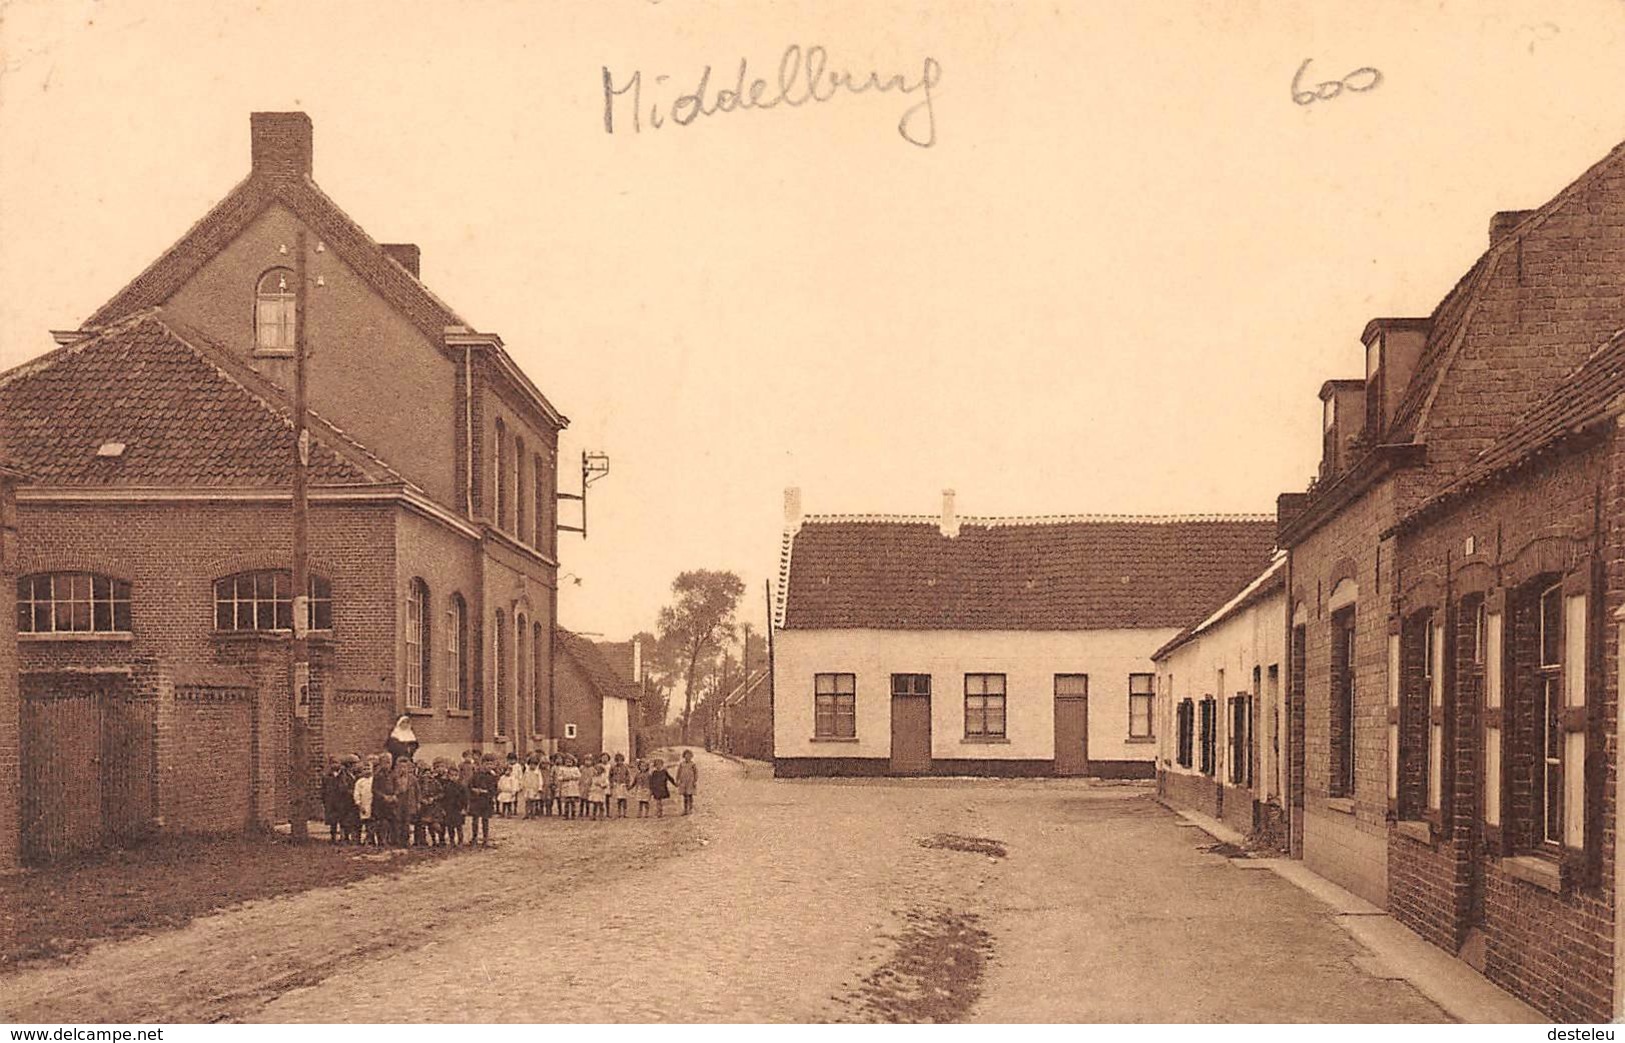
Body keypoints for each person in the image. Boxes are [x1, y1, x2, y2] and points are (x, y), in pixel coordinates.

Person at [467, 755, 497, 846]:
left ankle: (485, 838)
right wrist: (474, 790)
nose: (488, 766)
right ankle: (474, 837)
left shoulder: (492, 776)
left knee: (485, 820)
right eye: (486, 764)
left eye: (491, 764)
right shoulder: (476, 774)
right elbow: (470, 786)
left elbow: (494, 789)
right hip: (476, 800)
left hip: (486, 801)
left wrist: (486, 791)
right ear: (482, 764)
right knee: (475, 820)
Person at [370, 753, 398, 847]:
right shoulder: (378, 775)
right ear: (381, 763)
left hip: (391, 803)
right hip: (380, 804)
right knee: (382, 822)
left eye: (389, 762)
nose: (387, 764)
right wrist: (383, 797)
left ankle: (392, 840)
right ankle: (382, 840)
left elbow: (397, 787)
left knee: (392, 821)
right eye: (385, 762)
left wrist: (394, 795)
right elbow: (374, 789)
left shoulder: (393, 774)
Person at [353, 756, 376, 845]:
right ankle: (363, 840)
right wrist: (359, 804)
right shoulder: (360, 782)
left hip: (373, 805)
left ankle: (371, 840)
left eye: (369, 768)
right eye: (365, 769)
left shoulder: (374, 780)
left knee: (372, 824)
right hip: (364, 805)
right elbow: (357, 794)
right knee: (365, 823)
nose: (367, 771)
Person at [675, 749, 699, 816]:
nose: (687, 757)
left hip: (690, 782)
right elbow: (678, 772)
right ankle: (685, 809)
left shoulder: (693, 764)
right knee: (685, 795)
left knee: (690, 795)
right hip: (683, 782)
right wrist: (677, 780)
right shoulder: (681, 764)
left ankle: (690, 808)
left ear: (691, 756)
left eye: (689, 756)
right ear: (684, 756)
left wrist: (695, 780)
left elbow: (696, 773)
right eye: (686, 755)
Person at [555, 755, 581, 819]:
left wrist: (572, 777)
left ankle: (573, 814)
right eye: (567, 762)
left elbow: (579, 776)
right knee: (566, 802)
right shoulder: (562, 769)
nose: (568, 763)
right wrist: (564, 778)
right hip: (565, 786)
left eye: (570, 762)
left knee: (573, 802)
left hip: (573, 787)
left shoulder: (575, 769)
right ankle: (566, 814)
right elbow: (559, 777)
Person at [608, 753, 631, 819]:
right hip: (616, 785)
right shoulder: (613, 767)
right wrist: (611, 783)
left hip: (623, 785)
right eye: (618, 760)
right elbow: (610, 776)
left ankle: (625, 813)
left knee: (624, 799)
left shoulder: (625, 767)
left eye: (621, 760)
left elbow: (628, 776)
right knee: (618, 799)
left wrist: (627, 784)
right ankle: (618, 813)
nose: (619, 762)